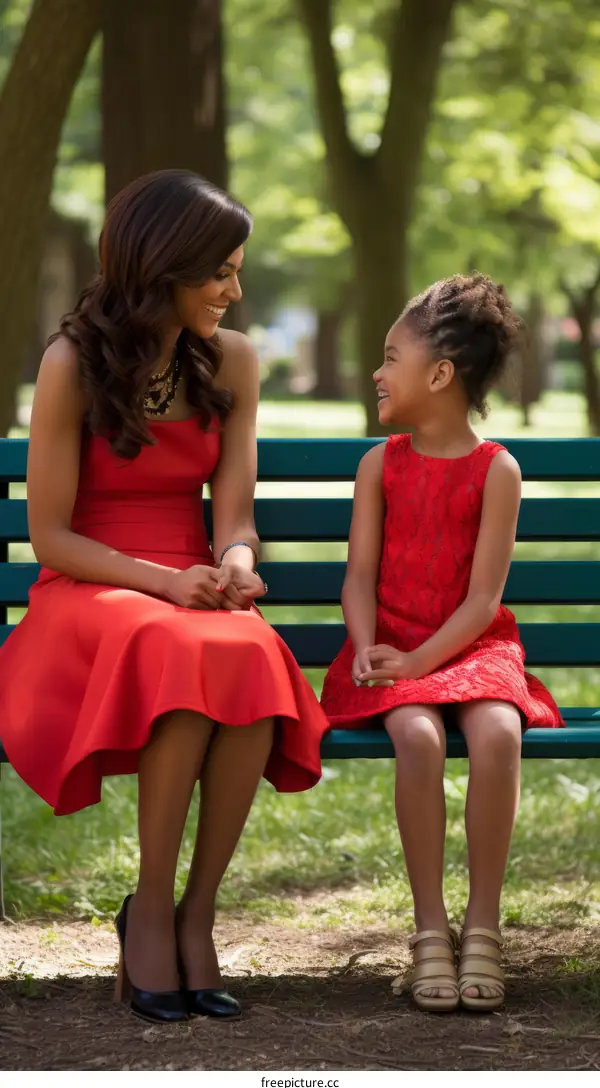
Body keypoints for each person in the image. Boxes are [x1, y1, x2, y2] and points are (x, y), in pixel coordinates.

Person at [0, 169, 328, 1024]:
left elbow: (236, 511)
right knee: (182, 646)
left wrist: (236, 560)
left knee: (249, 651)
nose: (234, 288)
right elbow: (53, 534)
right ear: (163, 265)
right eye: (219, 270)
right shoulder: (72, 361)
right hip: (91, 584)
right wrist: (165, 581)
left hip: (187, 585)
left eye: (237, 268)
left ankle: (197, 910)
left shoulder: (235, 359)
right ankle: (148, 904)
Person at [321, 273, 563, 1013]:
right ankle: (430, 927)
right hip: (391, 646)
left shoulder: (498, 471)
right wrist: (367, 646)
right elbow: (358, 577)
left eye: (391, 357)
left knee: (496, 730)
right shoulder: (379, 465)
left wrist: (425, 661)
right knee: (418, 738)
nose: (377, 371)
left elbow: (484, 599)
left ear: (439, 373)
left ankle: (482, 924)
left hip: (471, 646)